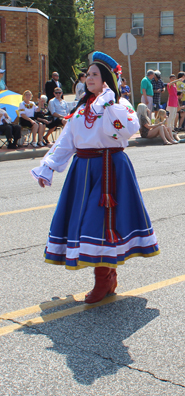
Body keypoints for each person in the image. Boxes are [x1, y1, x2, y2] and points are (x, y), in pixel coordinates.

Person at [31, 51, 160, 304]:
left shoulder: (119, 105)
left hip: (110, 168)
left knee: (102, 224)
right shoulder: (80, 109)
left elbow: (126, 131)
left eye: (94, 74)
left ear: (106, 81)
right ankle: (107, 276)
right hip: (83, 170)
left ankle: (104, 278)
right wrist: (48, 166)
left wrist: (109, 104)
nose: (88, 78)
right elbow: (67, 140)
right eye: (87, 74)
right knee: (89, 223)